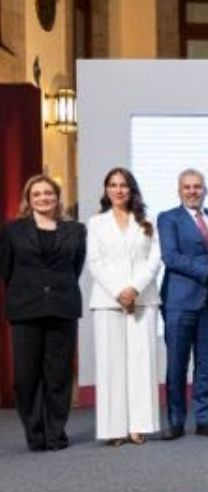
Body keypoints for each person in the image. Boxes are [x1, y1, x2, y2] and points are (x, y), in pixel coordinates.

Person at [0, 175, 85, 451]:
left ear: (57, 197)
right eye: (36, 194)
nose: (43, 198)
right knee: (25, 377)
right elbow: (6, 270)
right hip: (25, 309)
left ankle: (55, 433)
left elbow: (76, 267)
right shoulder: (12, 231)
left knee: (58, 376)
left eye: (48, 193)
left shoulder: (76, 230)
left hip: (63, 307)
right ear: (28, 199)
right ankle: (35, 434)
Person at [87, 167, 162, 446]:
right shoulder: (96, 223)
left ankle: (139, 426)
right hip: (108, 300)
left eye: (124, 185)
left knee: (142, 363)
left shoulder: (147, 221)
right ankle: (114, 428)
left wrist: (134, 289)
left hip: (143, 299)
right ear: (107, 190)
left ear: (132, 190)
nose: (118, 190)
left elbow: (154, 260)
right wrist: (120, 291)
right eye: (113, 185)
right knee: (111, 364)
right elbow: (95, 263)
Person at [157, 168, 208, 440]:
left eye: (197, 186)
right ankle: (176, 421)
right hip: (179, 302)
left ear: (205, 190)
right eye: (187, 187)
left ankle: (204, 420)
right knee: (177, 365)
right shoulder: (168, 218)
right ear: (179, 191)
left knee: (206, 364)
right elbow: (171, 257)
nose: (192, 191)